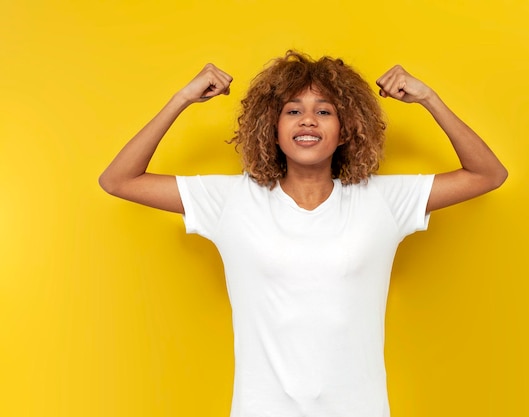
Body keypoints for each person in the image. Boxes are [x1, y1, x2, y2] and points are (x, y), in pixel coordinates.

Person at [99, 51, 507, 417]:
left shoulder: (382, 201)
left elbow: (488, 174)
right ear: (272, 129)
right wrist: (182, 99)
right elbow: (119, 180)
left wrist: (429, 99)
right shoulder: (231, 200)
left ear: (346, 130)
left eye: (325, 111)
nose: (308, 120)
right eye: (293, 111)